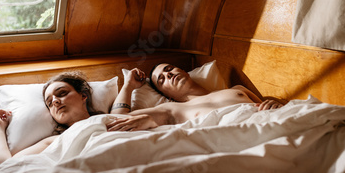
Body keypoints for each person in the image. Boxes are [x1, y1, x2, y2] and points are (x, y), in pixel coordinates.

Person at [107, 63, 284, 132]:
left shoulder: (238, 89)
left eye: (169, 69)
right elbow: (118, 118)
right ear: (166, 94)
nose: (168, 75)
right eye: (162, 80)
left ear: (183, 70)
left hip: (274, 125)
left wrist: (276, 105)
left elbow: (272, 106)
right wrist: (128, 85)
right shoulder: (172, 109)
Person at [0, 72, 102, 166]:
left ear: (83, 95)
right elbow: (3, 166)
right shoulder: (55, 141)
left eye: (62, 93)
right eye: (49, 103)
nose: (54, 101)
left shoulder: (110, 119)